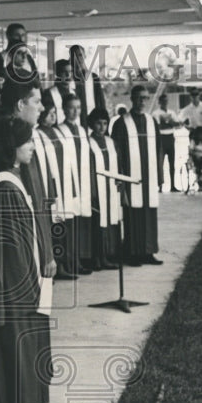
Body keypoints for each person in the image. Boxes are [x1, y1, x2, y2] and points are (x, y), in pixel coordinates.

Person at [0, 116, 58, 403]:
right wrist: (27, 283)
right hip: (11, 283)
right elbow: (9, 248)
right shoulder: (4, 187)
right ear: (11, 146)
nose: (32, 147)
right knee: (13, 343)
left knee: (10, 344)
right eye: (27, 142)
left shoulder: (9, 178)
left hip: (14, 279)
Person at [0, 79, 57, 285]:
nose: (42, 108)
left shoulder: (27, 135)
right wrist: (45, 252)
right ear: (20, 105)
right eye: (37, 101)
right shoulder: (11, 144)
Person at [111, 85, 163, 266]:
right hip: (130, 177)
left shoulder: (152, 122)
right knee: (132, 213)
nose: (142, 102)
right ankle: (132, 253)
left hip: (149, 177)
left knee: (149, 213)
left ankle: (148, 252)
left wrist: (160, 175)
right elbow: (115, 153)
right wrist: (120, 179)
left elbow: (159, 150)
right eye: (139, 98)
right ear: (132, 99)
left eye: (145, 98)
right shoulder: (121, 123)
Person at [38, 104, 79, 278]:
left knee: (62, 226)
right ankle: (56, 268)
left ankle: (64, 265)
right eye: (49, 113)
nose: (53, 117)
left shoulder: (57, 132)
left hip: (63, 186)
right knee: (53, 228)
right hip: (51, 187)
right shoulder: (37, 134)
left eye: (55, 113)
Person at [56, 94, 94, 273]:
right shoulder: (59, 130)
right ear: (64, 109)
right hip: (67, 182)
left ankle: (77, 260)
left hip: (82, 182)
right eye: (71, 107)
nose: (75, 111)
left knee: (79, 222)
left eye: (78, 108)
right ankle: (67, 262)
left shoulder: (81, 130)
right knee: (67, 224)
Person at [87, 108, 122, 271]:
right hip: (96, 188)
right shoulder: (88, 143)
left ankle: (108, 256)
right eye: (98, 123)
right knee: (97, 224)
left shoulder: (111, 142)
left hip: (110, 188)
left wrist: (119, 181)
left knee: (110, 222)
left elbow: (118, 164)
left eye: (105, 123)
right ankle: (97, 258)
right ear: (92, 124)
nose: (102, 127)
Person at [0, 23, 37, 99]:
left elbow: (36, 80)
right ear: (8, 36)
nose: (20, 38)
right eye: (17, 35)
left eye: (23, 35)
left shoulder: (29, 58)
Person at [68, 44, 107, 120]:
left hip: (91, 117)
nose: (77, 58)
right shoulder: (67, 78)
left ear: (84, 56)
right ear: (70, 57)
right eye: (74, 55)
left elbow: (100, 100)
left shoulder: (93, 77)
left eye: (80, 55)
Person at [42, 58, 75, 124]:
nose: (68, 75)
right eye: (64, 72)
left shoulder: (74, 92)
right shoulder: (48, 94)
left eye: (70, 72)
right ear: (58, 73)